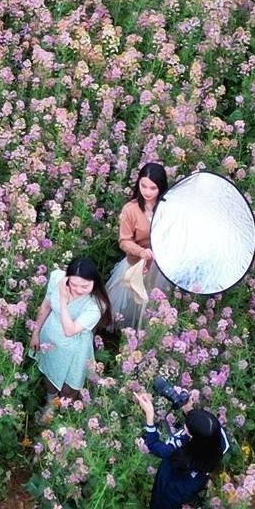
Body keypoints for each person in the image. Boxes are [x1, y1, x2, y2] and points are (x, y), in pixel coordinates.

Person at [132, 387, 228, 509]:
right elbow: (203, 428)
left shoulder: (179, 449)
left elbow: (154, 445)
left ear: (192, 438)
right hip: (193, 482)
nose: (184, 429)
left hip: (174, 486)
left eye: (187, 428)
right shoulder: (216, 440)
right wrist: (188, 408)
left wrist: (149, 415)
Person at [30, 257, 112, 404]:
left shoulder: (96, 304)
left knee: (69, 387)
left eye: (85, 286)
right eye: (74, 284)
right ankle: (50, 405)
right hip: (50, 336)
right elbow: (45, 307)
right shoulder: (57, 278)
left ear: (95, 282)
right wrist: (36, 333)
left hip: (75, 347)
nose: (78, 290)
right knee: (49, 375)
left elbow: (70, 330)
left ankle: (64, 411)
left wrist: (63, 300)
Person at [106, 162, 172, 329]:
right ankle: (123, 333)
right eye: (143, 186)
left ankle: (147, 334)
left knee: (154, 302)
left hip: (160, 267)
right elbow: (124, 240)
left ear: (161, 188)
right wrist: (141, 252)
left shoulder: (168, 208)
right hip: (136, 263)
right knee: (130, 299)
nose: (147, 192)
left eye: (153, 188)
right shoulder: (131, 209)